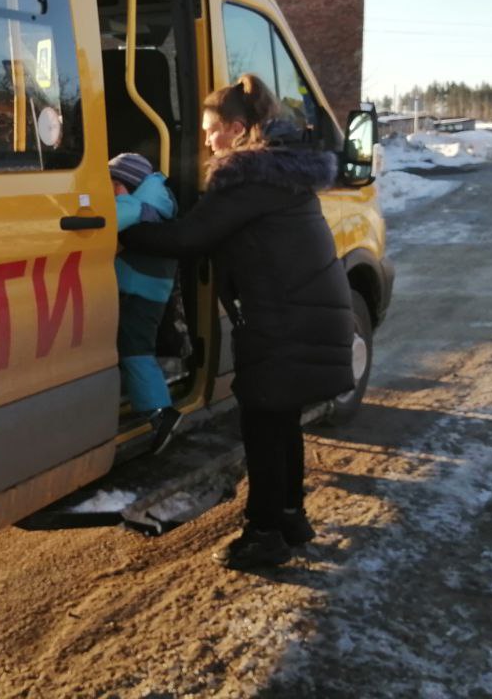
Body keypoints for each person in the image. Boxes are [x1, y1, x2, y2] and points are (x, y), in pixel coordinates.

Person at [119, 74, 354, 568]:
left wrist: (120, 230)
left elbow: (188, 239)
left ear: (238, 128)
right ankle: (289, 517)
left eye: (211, 130)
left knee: (265, 429)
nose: (205, 140)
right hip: (303, 313)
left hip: (284, 322)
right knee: (281, 422)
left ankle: (264, 533)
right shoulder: (277, 175)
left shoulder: (247, 178)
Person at [110, 152, 183, 456]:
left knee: (134, 349)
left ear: (126, 184)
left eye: (112, 185)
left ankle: (160, 413)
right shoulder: (155, 199)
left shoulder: (139, 204)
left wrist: (123, 199)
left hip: (139, 291)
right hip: (149, 290)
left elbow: (110, 218)